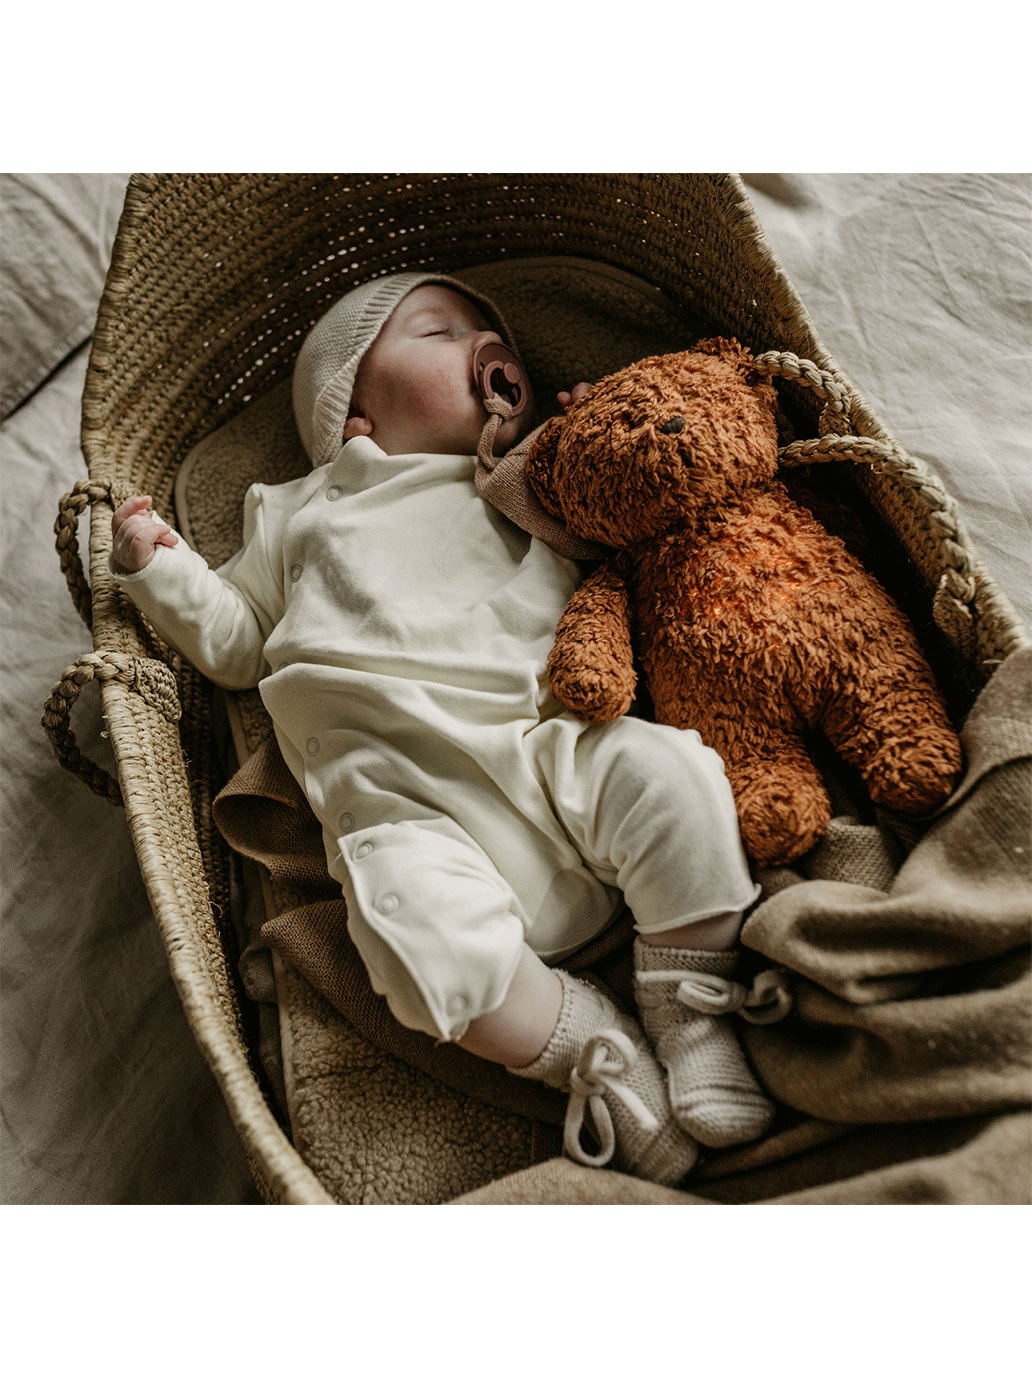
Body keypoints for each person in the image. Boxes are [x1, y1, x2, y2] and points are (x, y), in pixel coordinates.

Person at [110, 271, 774, 1185]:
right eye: (438, 332)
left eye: (485, 332)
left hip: (546, 745)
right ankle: (585, 1045)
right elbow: (236, 644)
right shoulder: (298, 509)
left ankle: (691, 1007)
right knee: (408, 933)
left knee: (672, 776)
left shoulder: (528, 475)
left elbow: (622, 515)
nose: (480, 346)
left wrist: (592, 436)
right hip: (401, 802)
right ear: (353, 416)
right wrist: (162, 571)